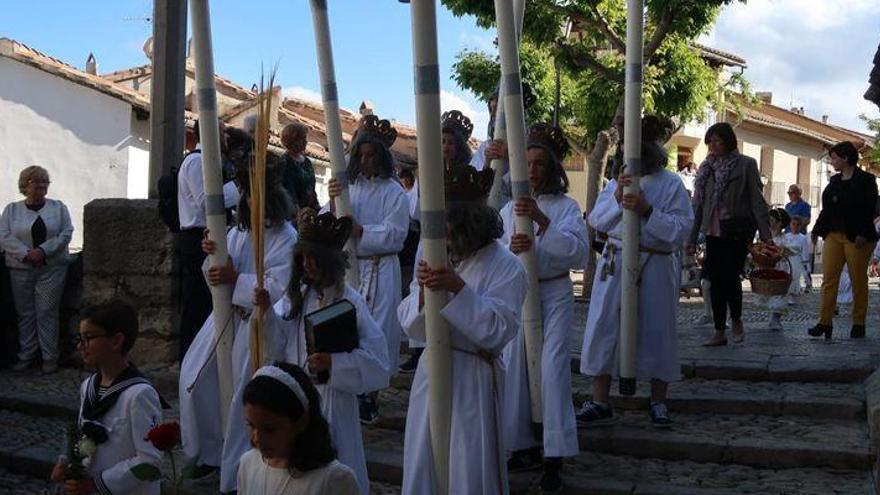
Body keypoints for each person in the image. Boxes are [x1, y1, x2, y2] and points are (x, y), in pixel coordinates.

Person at [398, 164, 528, 495]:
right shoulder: (438, 255)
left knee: (467, 465)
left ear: (471, 224)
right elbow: (408, 319)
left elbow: (499, 328)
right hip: (432, 370)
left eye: (453, 230)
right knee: (423, 460)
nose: (447, 239)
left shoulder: (506, 266)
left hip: (472, 375)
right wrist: (425, 297)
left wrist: (458, 290)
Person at [248, 208, 390, 494]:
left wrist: (333, 363)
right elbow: (279, 346)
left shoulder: (351, 302)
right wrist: (266, 313)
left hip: (334, 400)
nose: (307, 265)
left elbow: (378, 364)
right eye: (302, 259)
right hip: (298, 402)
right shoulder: (298, 298)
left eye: (313, 259)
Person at [179, 162, 297, 493]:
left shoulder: (286, 237)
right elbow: (218, 272)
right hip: (225, 316)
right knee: (195, 376)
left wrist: (236, 281)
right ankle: (208, 452)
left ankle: (236, 474)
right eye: (246, 196)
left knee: (238, 399)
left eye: (254, 197)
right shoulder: (238, 231)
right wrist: (212, 259)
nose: (248, 203)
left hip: (255, 326)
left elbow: (275, 287)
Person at [577, 139, 693, 428]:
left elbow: (680, 230)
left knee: (657, 329)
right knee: (604, 327)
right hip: (615, 262)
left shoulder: (671, 184)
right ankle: (600, 400)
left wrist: (647, 210)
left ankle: (658, 401)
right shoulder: (619, 181)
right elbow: (597, 220)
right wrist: (616, 196)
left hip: (654, 263)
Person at [499, 124, 587, 490]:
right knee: (516, 368)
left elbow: (578, 253)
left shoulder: (567, 207)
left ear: (552, 169)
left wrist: (542, 223)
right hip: (521, 295)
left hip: (553, 294)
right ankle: (522, 443)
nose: (532, 170)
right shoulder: (507, 210)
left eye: (539, 164)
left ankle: (555, 453)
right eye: (528, 163)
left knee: (551, 370)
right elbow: (499, 253)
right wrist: (513, 251)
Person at [326, 115, 408, 424]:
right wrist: (334, 202)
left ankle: (371, 396)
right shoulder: (351, 189)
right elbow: (332, 220)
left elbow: (396, 233)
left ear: (382, 156)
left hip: (381, 268)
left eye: (371, 154)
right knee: (350, 331)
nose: (365, 160)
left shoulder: (394, 192)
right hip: (352, 269)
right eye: (361, 154)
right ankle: (351, 388)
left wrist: (361, 231)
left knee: (379, 333)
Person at [51, 300, 166, 495]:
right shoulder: (88, 387)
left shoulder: (139, 394)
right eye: (80, 338)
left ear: (116, 341)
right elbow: (81, 430)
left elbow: (150, 460)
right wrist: (65, 460)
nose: (81, 346)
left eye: (89, 338)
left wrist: (98, 483)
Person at [399, 110, 475, 375]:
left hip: (458, 237)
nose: (446, 146)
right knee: (422, 287)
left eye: (451, 142)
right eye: (442, 141)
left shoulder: (468, 170)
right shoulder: (427, 172)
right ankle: (420, 347)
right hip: (430, 237)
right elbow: (415, 211)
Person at [688, 123, 771, 346]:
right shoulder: (706, 168)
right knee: (714, 280)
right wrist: (691, 238)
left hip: (737, 229)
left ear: (728, 140)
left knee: (730, 278)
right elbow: (698, 205)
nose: (713, 145)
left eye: (717, 140)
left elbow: (757, 200)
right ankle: (719, 330)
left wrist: (766, 235)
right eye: (710, 142)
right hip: (713, 231)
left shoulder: (746, 165)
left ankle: (736, 320)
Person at [237, 363, 360, 495]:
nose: (257, 438)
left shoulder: (333, 479)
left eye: (269, 429)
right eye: (251, 425)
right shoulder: (248, 464)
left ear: (301, 421)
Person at [176, 119, 241, 359]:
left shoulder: (210, 162)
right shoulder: (196, 162)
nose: (227, 137)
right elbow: (209, 203)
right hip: (197, 240)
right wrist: (239, 186)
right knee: (197, 305)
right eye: (223, 132)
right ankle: (191, 360)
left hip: (207, 237)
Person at [1, 165, 73, 374]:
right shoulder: (12, 210)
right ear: (26, 186)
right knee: (25, 313)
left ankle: (50, 357)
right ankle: (27, 355)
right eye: (37, 185)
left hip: (52, 268)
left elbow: (66, 233)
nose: (42, 189)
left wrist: (43, 250)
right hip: (21, 268)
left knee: (47, 311)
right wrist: (25, 253)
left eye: (45, 185)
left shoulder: (58, 208)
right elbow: (4, 235)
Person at [808, 141, 879, 339]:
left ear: (846, 158)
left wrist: (864, 234)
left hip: (857, 237)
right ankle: (825, 322)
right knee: (829, 280)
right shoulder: (834, 182)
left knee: (858, 281)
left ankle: (858, 322)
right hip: (833, 234)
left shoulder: (866, 180)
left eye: (834, 158)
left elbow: (869, 208)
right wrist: (816, 230)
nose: (831, 162)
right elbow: (827, 208)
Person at [761, 209, 804, 331]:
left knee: (780, 294)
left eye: (773, 220)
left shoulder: (785, 239)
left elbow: (792, 250)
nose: (770, 222)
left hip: (781, 269)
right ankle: (772, 317)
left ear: (779, 223)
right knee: (769, 293)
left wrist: (778, 250)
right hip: (769, 269)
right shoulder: (766, 237)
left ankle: (775, 319)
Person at [279, 123, 319, 216]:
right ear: (293, 140)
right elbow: (288, 190)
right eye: (303, 139)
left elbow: (312, 188)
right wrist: (298, 214)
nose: (306, 141)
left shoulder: (307, 161)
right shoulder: (285, 162)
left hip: (311, 210)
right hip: (295, 214)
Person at [789, 216, 813, 292]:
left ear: (800, 226)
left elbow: (805, 253)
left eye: (798, 224)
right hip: (788, 261)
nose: (795, 227)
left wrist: (806, 266)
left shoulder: (803, 238)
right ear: (790, 225)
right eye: (793, 224)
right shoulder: (786, 237)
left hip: (798, 261)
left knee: (799, 276)